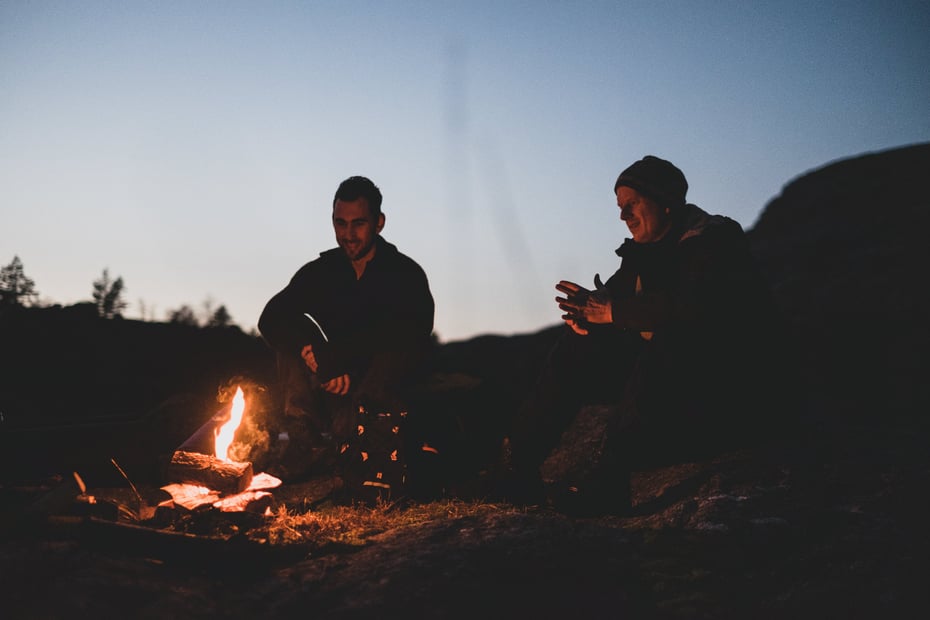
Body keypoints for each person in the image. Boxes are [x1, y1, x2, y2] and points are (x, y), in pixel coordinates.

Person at [504, 155, 785, 515]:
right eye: (620, 207)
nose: (624, 216)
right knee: (576, 345)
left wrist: (612, 312)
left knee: (672, 338)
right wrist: (587, 318)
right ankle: (519, 469)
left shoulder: (713, 239)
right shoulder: (641, 255)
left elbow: (696, 309)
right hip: (676, 387)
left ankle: (609, 484)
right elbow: (615, 306)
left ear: (665, 201)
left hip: (735, 387)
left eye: (633, 204)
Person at [258, 176, 435, 481]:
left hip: (380, 391)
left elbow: (412, 331)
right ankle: (304, 440)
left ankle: (362, 443)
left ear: (379, 223)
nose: (348, 234)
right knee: (290, 343)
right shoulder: (322, 271)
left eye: (359, 224)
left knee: (394, 352)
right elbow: (271, 317)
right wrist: (311, 348)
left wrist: (338, 357)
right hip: (330, 388)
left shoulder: (404, 274)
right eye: (341, 224)